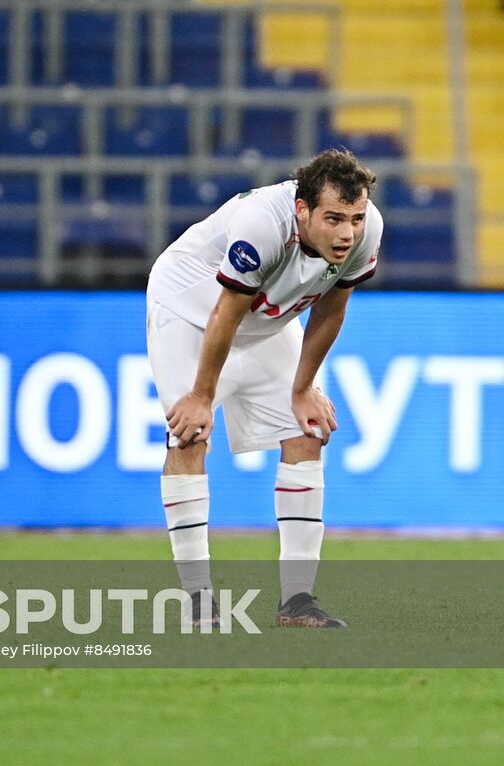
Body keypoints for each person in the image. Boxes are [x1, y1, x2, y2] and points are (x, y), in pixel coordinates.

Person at [146, 149, 383, 628]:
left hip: (265, 322)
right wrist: (200, 395)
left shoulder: (367, 229)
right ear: (302, 210)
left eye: (354, 218)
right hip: (190, 313)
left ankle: (297, 602)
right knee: (189, 435)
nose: (346, 233)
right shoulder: (262, 224)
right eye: (334, 218)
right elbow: (225, 313)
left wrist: (302, 389)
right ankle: (198, 604)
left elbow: (332, 308)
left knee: (308, 430)